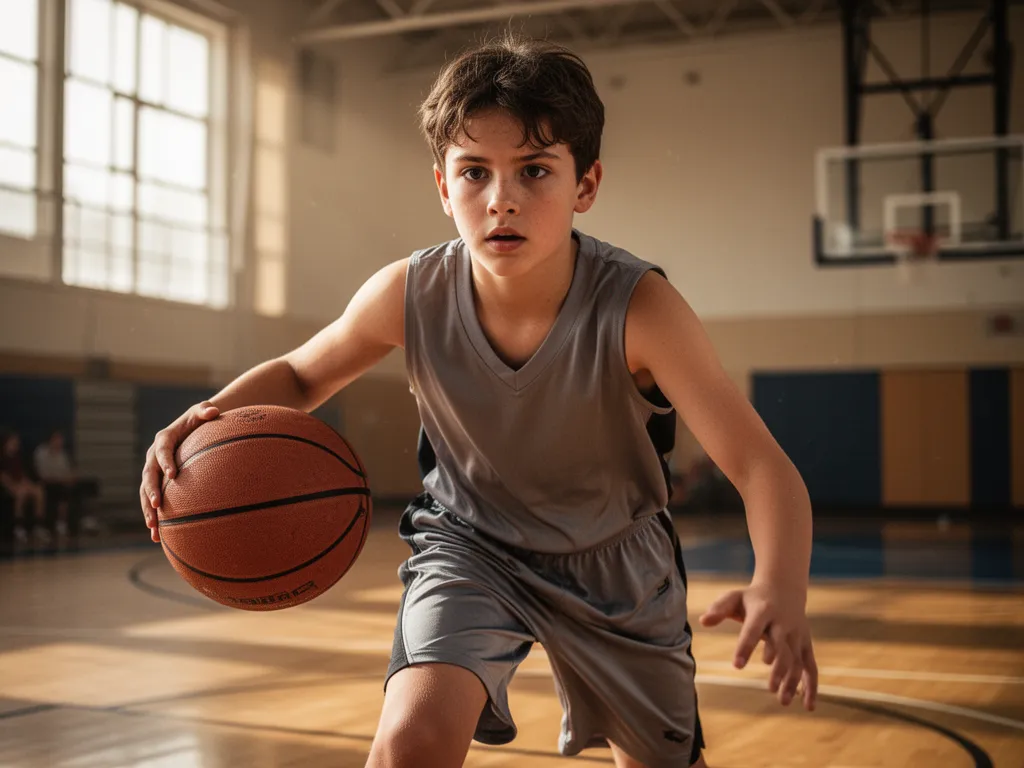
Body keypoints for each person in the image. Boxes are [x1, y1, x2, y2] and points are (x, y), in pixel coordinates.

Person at [139, 35, 817, 768]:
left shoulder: (641, 310)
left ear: (585, 185)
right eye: (474, 173)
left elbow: (758, 466)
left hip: (615, 562)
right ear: (443, 187)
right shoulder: (409, 292)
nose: (502, 199)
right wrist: (208, 417)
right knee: (408, 743)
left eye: (534, 171)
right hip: (471, 546)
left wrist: (778, 585)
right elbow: (302, 377)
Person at [1, 430, 49, 546]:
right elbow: (3, 478)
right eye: (13, 442)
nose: (16, 444)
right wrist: (14, 486)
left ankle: (38, 526)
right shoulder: (2, 458)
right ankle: (19, 527)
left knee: (38, 491)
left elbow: (23, 475)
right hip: (8, 486)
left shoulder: (19, 457)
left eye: (17, 442)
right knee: (21, 493)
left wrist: (28, 484)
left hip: (21, 483)